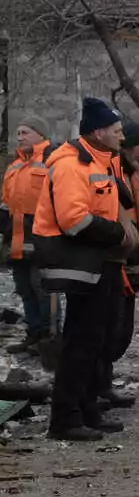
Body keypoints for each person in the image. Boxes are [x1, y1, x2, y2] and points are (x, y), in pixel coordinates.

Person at [32, 97, 135, 441]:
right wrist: (118, 234)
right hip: (78, 263)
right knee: (80, 341)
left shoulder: (99, 162)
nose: (122, 137)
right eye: (117, 131)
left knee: (95, 341)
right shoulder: (70, 165)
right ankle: (65, 419)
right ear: (98, 132)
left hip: (98, 262)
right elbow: (73, 220)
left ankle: (87, 410)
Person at [97, 121, 139, 410]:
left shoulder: (130, 174)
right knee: (109, 331)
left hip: (129, 266)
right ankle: (97, 387)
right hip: (115, 264)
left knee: (119, 333)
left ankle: (102, 385)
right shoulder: (113, 172)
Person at [3, 118, 54, 355]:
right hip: (16, 239)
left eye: (25, 132)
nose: (20, 137)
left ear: (40, 134)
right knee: (24, 288)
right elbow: (5, 204)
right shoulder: (14, 167)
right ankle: (33, 335)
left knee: (43, 289)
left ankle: (49, 338)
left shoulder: (52, 161)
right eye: (18, 133)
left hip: (42, 238)